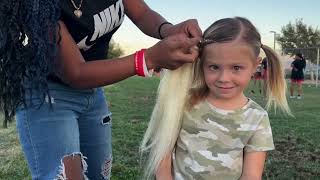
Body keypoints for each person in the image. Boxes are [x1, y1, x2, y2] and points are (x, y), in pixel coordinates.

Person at [0, 0, 202, 179]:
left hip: (93, 92)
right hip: (47, 95)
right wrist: (148, 59)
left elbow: (142, 14)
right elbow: (75, 72)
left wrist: (169, 30)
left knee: (99, 173)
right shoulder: (37, 4)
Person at [141, 17, 291, 180]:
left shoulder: (257, 118)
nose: (224, 78)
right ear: (202, 63)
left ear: (256, 65)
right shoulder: (184, 103)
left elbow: (251, 175)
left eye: (236, 68)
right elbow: (163, 151)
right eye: (214, 67)